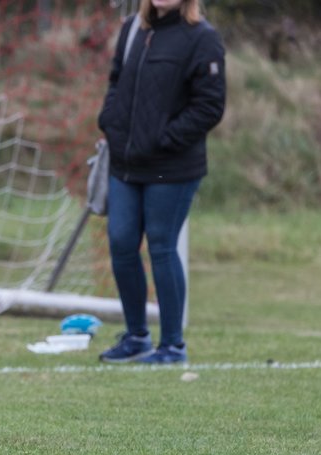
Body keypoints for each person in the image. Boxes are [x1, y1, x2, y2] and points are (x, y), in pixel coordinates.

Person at [96, 0, 225, 365]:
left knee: (162, 247)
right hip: (124, 163)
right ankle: (137, 337)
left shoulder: (203, 38)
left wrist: (163, 140)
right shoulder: (133, 29)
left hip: (172, 166)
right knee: (121, 243)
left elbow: (211, 106)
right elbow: (116, 82)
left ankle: (172, 346)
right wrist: (110, 121)